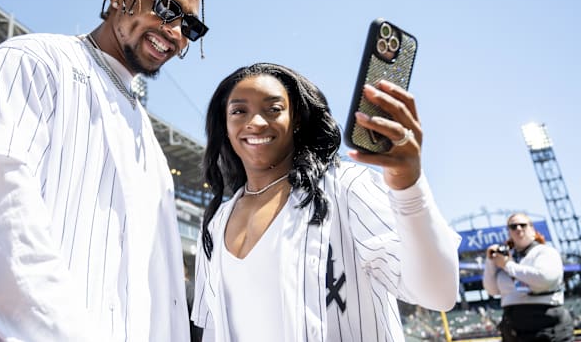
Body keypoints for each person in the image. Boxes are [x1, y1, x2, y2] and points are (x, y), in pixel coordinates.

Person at [0, 0, 208, 342]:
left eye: (191, 27)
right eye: (167, 8)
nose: (177, 32)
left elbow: (162, 290)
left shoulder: (148, 141)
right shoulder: (33, 61)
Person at [191, 63, 461, 341]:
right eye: (239, 111)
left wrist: (409, 187)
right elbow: (212, 329)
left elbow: (438, 293)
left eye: (273, 109)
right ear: (224, 124)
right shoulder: (214, 224)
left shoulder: (345, 186)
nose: (256, 122)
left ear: (296, 119)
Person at [483, 213, 573, 341]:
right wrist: (490, 261)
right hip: (514, 326)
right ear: (509, 232)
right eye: (513, 226)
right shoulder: (505, 257)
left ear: (532, 229)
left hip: (547, 322)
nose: (518, 229)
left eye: (523, 225)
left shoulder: (545, 252)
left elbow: (544, 279)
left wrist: (508, 265)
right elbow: (491, 290)